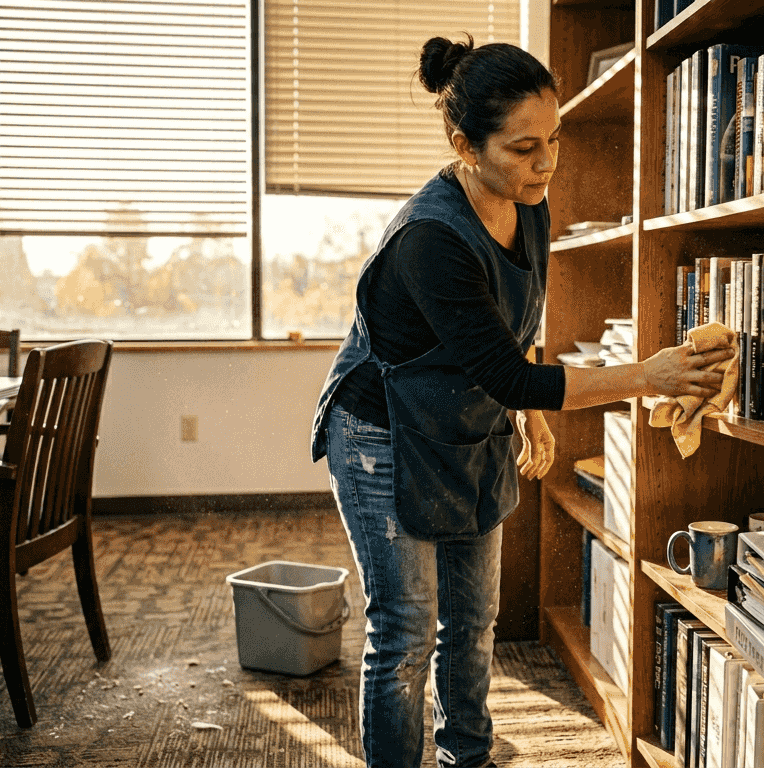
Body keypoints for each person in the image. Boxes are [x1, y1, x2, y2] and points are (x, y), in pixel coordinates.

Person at [309, 34, 733, 768]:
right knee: (407, 631)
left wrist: (527, 413)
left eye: (555, 140)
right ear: (463, 144)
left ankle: (466, 756)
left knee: (474, 621)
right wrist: (647, 375)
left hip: (466, 424)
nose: (546, 164)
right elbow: (508, 375)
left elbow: (514, 338)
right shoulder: (429, 238)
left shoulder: (527, 200)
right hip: (382, 433)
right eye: (523, 147)